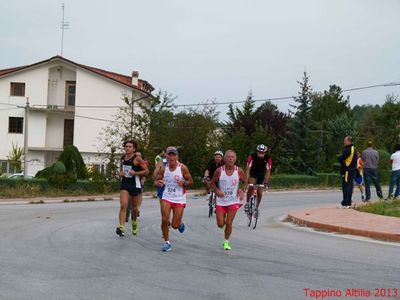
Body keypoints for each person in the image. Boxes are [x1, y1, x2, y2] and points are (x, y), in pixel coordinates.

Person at [153, 146, 193, 252]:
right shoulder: (163, 168)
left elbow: (191, 181)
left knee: (175, 225)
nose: (171, 157)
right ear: (166, 156)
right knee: (165, 219)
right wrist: (158, 183)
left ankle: (179, 223)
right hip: (167, 197)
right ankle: (167, 242)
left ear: (177, 157)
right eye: (169, 155)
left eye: (173, 155)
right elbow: (155, 181)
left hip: (179, 198)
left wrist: (184, 183)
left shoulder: (182, 168)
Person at [210, 150, 246, 251]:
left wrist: (242, 190)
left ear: (235, 159)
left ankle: (226, 241)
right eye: (228, 157)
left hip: (233, 201)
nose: (230, 159)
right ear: (224, 159)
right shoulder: (219, 170)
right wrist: (217, 191)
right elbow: (212, 183)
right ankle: (224, 227)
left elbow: (245, 182)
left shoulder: (239, 171)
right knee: (220, 224)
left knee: (229, 223)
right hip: (221, 201)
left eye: (232, 157)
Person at [116, 140, 149, 237]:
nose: (127, 148)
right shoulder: (122, 158)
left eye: (130, 146)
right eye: (126, 146)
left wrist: (136, 173)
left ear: (134, 149)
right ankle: (121, 227)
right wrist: (120, 173)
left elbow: (146, 171)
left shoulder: (138, 159)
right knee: (123, 205)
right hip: (125, 184)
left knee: (134, 208)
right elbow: (122, 170)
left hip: (135, 185)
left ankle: (134, 222)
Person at [244, 144, 272, 216]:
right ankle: (247, 203)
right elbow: (247, 170)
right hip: (253, 172)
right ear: (257, 152)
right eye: (259, 152)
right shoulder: (252, 157)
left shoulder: (268, 158)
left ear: (265, 153)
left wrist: (266, 182)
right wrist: (246, 181)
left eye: (262, 153)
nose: (261, 154)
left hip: (261, 173)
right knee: (251, 185)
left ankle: (256, 208)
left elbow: (268, 171)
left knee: (259, 191)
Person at [126, 151, 148, 222]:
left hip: (139, 183)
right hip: (129, 183)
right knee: (128, 200)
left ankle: (136, 209)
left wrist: (143, 179)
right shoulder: (131, 162)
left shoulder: (143, 163)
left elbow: (145, 172)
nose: (138, 157)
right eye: (136, 155)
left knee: (139, 198)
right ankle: (127, 214)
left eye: (139, 155)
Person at [337, 136, 357, 208]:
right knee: (348, 186)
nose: (344, 142)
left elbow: (341, 158)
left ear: (349, 141)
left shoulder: (349, 149)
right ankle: (346, 202)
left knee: (346, 187)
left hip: (347, 171)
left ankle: (346, 203)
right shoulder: (353, 149)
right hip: (351, 171)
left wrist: (339, 158)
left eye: (345, 140)